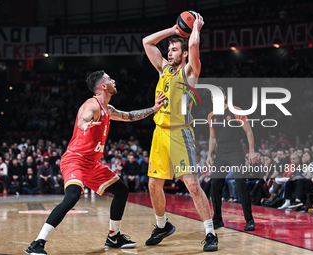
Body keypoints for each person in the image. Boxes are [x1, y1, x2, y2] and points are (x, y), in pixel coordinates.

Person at [26, 70, 165, 255]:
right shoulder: (92, 105)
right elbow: (83, 118)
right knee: (73, 195)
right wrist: (84, 124)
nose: (114, 80)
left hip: (92, 163)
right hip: (75, 159)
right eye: (110, 78)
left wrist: (153, 109)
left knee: (122, 191)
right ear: (103, 86)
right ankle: (37, 243)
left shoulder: (108, 108)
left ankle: (113, 237)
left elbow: (129, 116)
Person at [143, 13, 218, 252]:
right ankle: (162, 225)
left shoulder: (190, 72)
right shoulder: (163, 68)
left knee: (192, 185)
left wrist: (194, 27)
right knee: (154, 185)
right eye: (169, 50)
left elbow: (194, 44)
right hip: (160, 133)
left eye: (174, 49)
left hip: (180, 133)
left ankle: (210, 232)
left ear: (184, 54)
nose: (169, 53)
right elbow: (147, 42)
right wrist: (174, 29)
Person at [206, 87, 258, 232]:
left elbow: (249, 132)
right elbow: (212, 137)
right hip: (221, 152)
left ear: (223, 98)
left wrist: (252, 151)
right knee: (215, 183)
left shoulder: (236, 110)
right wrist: (210, 155)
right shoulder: (211, 116)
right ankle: (217, 219)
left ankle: (249, 220)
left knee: (240, 182)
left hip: (236, 150)